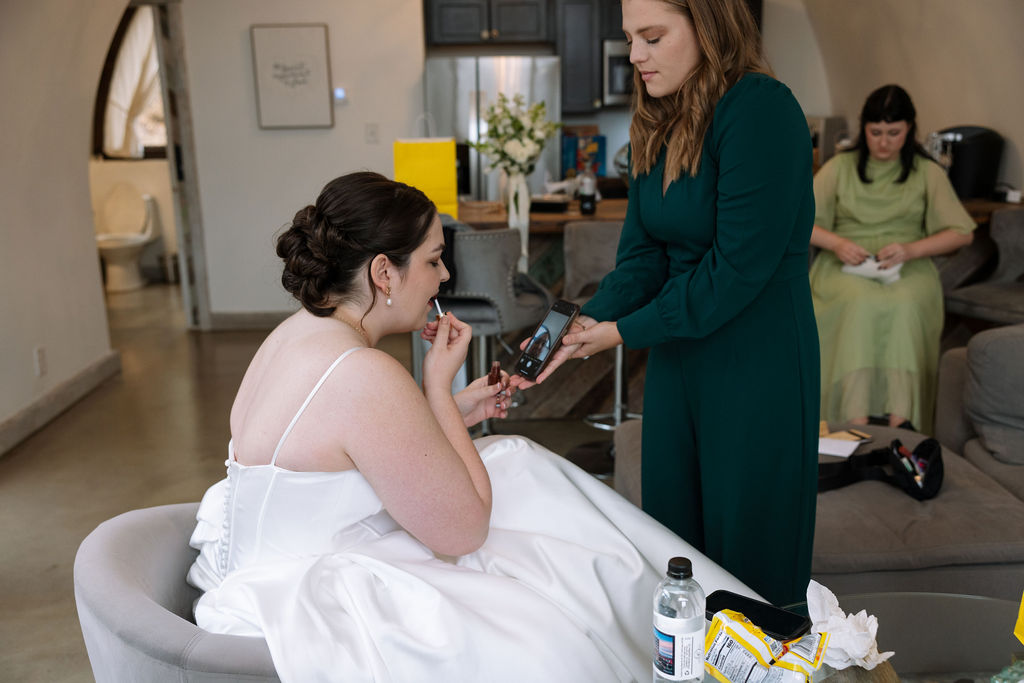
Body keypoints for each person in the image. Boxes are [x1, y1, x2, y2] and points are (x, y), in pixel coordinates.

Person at [186, 171, 756, 682]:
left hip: (256, 561)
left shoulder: (294, 333)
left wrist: (454, 410)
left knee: (515, 465)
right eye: (433, 260)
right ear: (384, 272)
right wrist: (438, 388)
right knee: (533, 513)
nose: (445, 275)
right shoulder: (362, 372)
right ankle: (691, 630)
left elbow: (341, 448)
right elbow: (465, 532)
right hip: (309, 592)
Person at [513, 0, 819, 607]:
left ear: (708, 25)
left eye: (652, 37)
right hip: (680, 358)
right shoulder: (657, 119)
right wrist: (583, 321)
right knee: (676, 539)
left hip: (755, 360)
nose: (635, 55)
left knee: (750, 549)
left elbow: (735, 272)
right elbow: (643, 259)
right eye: (630, 38)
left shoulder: (761, 110)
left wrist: (623, 332)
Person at [809, 84, 975, 435]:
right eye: (876, 133)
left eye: (894, 133)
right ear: (863, 129)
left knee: (905, 306)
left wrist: (912, 249)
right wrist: (837, 243)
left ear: (910, 130)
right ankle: (851, 422)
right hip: (844, 267)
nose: (884, 142)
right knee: (858, 303)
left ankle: (903, 427)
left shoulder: (927, 172)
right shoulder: (839, 167)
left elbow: (963, 233)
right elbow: (797, 221)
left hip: (908, 266)